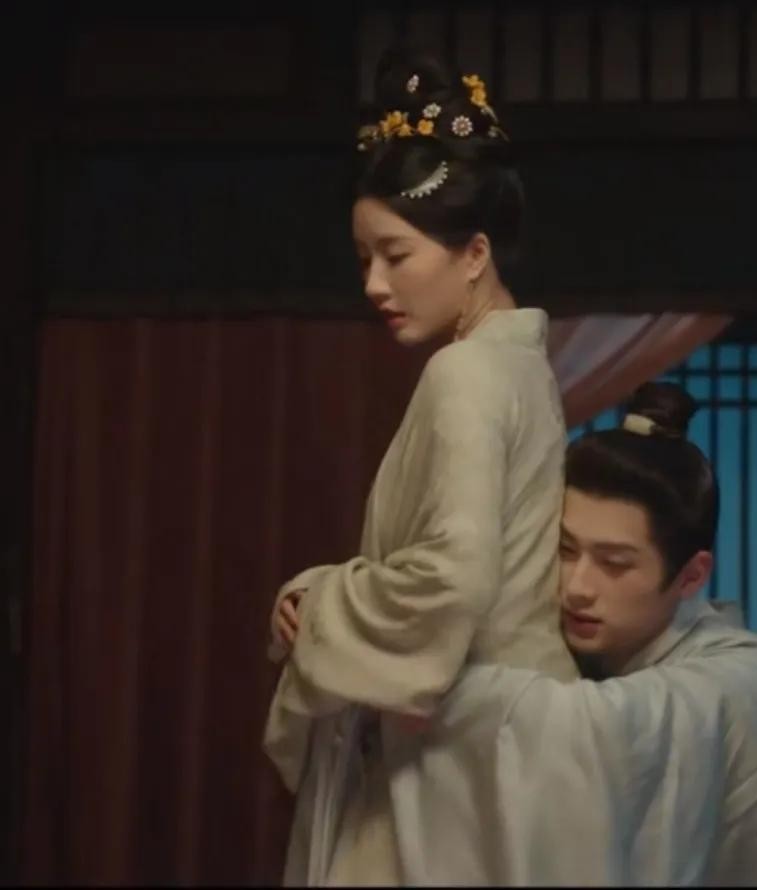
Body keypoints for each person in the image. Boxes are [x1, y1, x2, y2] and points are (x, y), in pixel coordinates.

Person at [262, 47, 579, 885]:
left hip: (460, 749)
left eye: (395, 256)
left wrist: (323, 602)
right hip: (516, 740)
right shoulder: (521, 366)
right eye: (364, 258)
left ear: (473, 253)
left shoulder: (467, 372)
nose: (374, 283)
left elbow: (453, 579)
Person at [382, 382, 757, 885]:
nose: (577, 587)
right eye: (565, 551)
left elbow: (594, 728)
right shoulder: (570, 644)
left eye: (614, 563)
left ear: (692, 575)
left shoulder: (754, 676)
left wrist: (417, 676)